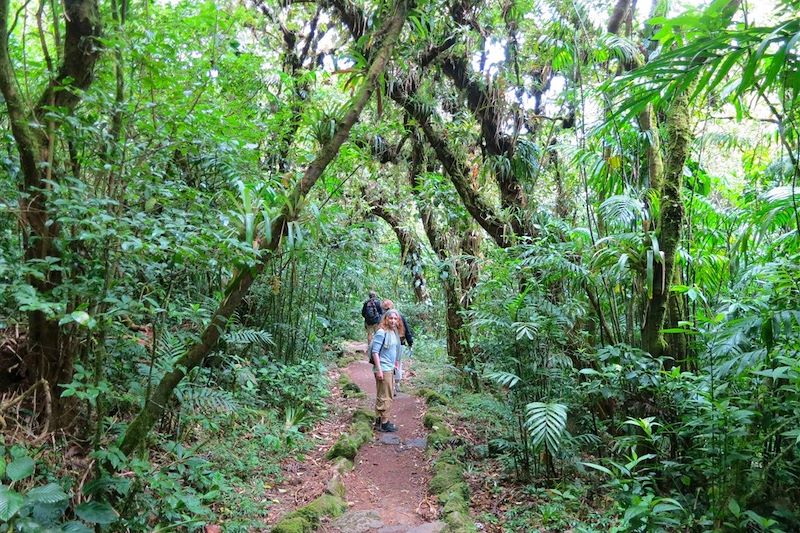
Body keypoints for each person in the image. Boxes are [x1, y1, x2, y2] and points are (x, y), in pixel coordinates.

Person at [371, 309, 404, 432]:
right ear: (386, 319)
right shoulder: (381, 332)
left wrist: (395, 363)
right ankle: (384, 423)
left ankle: (379, 420)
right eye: (391, 318)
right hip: (383, 368)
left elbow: (392, 350)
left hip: (389, 367)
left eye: (395, 319)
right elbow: (375, 352)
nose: (393, 321)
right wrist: (379, 370)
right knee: (386, 395)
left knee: (383, 394)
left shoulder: (393, 332)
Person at [381, 299, 413, 392]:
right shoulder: (399, 316)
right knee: (398, 363)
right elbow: (407, 330)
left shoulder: (385, 317)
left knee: (390, 363)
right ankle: (397, 383)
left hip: (389, 345)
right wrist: (410, 343)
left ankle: (392, 384)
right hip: (400, 344)